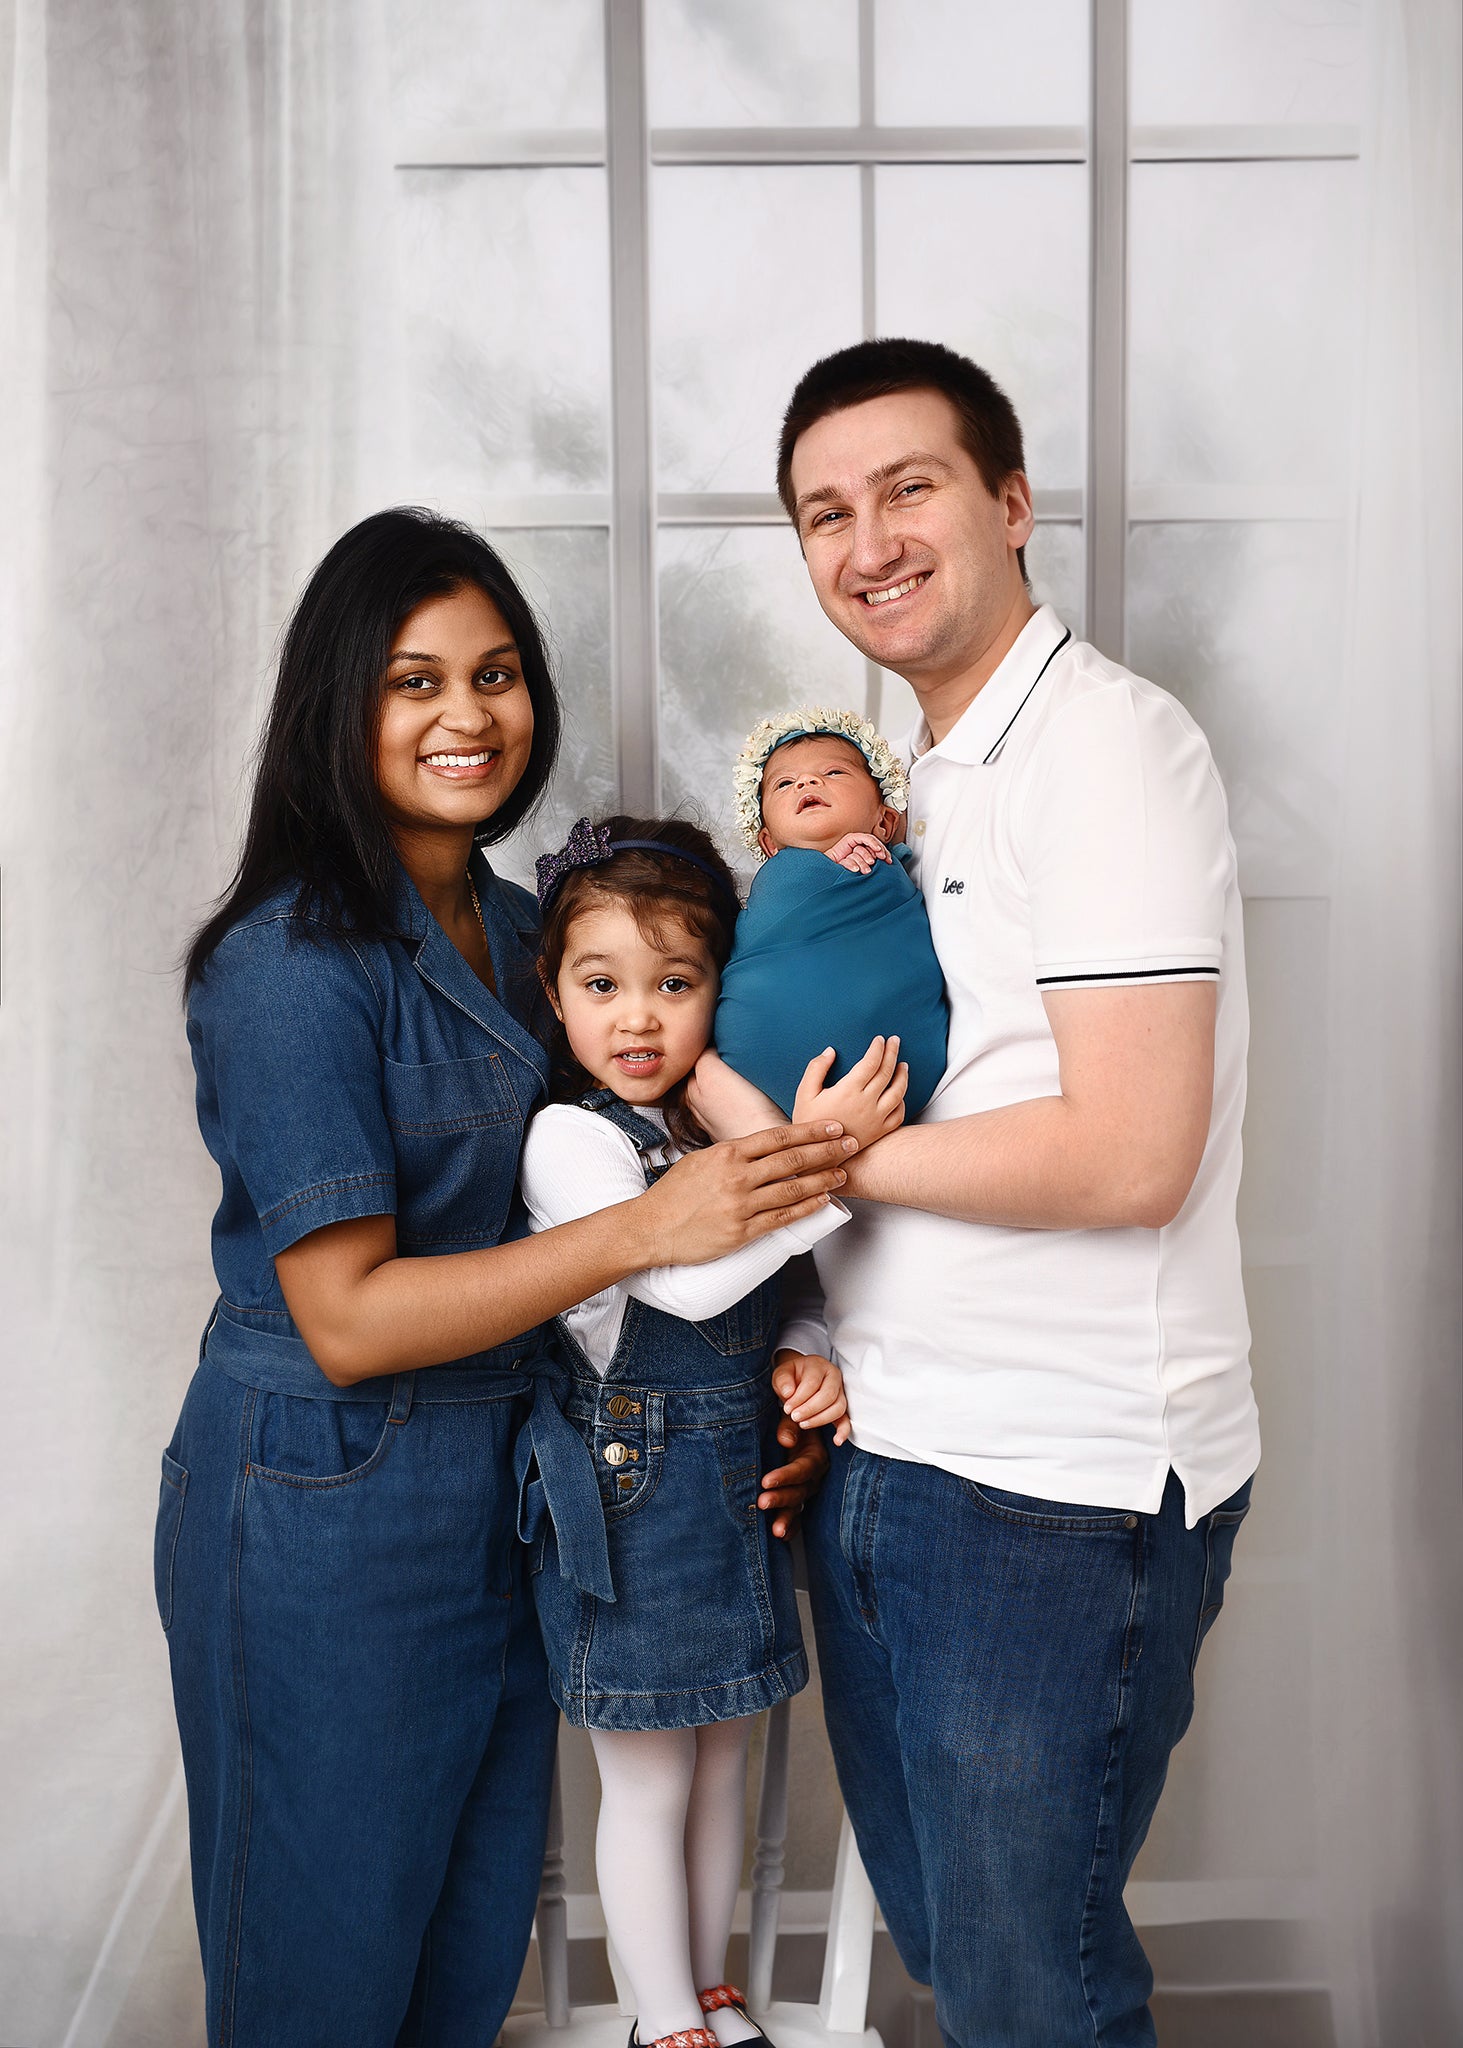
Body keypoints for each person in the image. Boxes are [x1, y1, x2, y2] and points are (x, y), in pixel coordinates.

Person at [159, 508, 855, 2048]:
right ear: (339, 704)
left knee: (465, 1947)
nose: (466, 717)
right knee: (327, 1969)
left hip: (531, 1480)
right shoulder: (284, 963)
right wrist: (644, 1236)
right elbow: (347, 1320)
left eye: (495, 675)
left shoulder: (540, 933)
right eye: (413, 682)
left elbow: (684, 1203)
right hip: (326, 1501)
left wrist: (764, 1399)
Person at [719, 336, 1261, 2047]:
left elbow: (1126, 1150)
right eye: (823, 511)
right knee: (965, 1963)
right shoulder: (916, 782)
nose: (864, 539)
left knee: (1034, 1997)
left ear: (1008, 503)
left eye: (907, 486)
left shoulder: (1103, 747)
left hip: (1049, 1491)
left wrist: (810, 1158)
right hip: (894, 1451)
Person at [516, 814, 904, 2048]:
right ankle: (660, 2013)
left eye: (674, 984)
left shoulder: (705, 1126)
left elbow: (786, 1285)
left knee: (727, 1754)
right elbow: (681, 1280)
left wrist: (814, 1352)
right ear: (556, 994)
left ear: (716, 993)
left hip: (729, 1483)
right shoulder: (568, 1138)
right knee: (648, 1772)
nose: (638, 1017)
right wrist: (825, 1166)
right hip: (630, 1500)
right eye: (602, 984)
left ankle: (708, 1982)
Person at [713, 708, 948, 1119]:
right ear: (767, 843)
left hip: (896, 1078)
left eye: (834, 773)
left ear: (884, 821)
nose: (807, 782)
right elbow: (769, 920)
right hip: (756, 1095)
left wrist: (853, 872)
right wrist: (817, 871)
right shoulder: (777, 880)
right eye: (784, 783)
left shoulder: (888, 871)